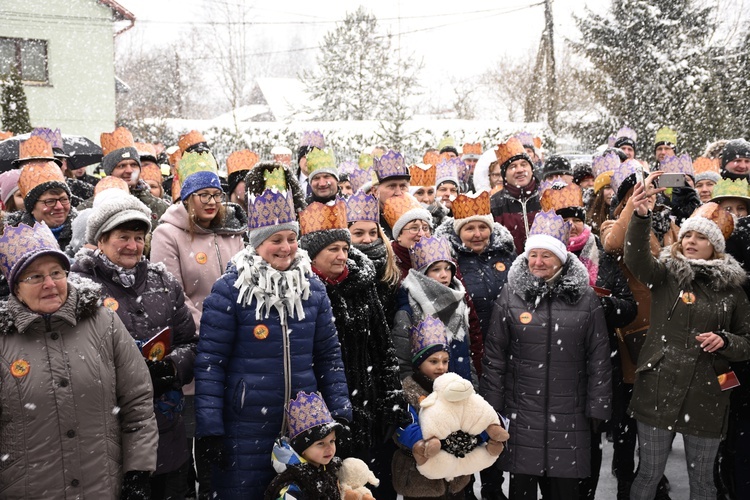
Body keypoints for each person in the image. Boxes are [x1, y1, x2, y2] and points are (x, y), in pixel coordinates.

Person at [194, 169, 351, 499]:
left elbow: (329, 357)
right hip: (245, 425)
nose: (286, 248)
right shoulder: (230, 290)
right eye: (275, 240)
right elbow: (211, 363)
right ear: (257, 243)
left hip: (304, 425)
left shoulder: (313, 289)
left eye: (291, 239)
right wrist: (210, 428)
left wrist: (339, 412)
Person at [0, 221, 158, 498]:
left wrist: (138, 471)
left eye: (56, 273)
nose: (50, 284)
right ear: (16, 288)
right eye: (35, 277)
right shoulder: (4, 341)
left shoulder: (103, 322)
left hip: (101, 487)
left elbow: (138, 401)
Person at [625, 178, 750, 500]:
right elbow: (636, 259)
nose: (691, 241)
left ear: (716, 246)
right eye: (687, 235)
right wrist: (639, 218)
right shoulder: (666, 273)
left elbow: (746, 341)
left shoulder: (734, 291)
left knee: (703, 481)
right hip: (658, 384)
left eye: (701, 237)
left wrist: (726, 341)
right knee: (649, 473)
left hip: (709, 391)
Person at [70, 192, 198, 498]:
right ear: (100, 240)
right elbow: (69, 358)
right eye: (123, 236)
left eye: (139, 237)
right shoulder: (78, 287)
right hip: (109, 427)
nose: (132, 246)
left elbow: (190, 343)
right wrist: (128, 377)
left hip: (166, 424)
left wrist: (171, 367)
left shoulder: (162, 281)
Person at [480, 210, 612, 500]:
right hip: (522, 408)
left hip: (571, 411)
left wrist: (598, 405)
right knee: (523, 488)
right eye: (533, 255)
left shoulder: (585, 297)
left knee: (565, 490)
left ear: (562, 259)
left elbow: (599, 355)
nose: (538, 262)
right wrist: (492, 406)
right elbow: (495, 355)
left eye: (546, 256)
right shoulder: (511, 294)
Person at [150, 150, 247, 498]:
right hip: (197, 344)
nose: (211, 201)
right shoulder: (168, 234)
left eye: (215, 194)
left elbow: (246, 281)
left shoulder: (232, 231)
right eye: (202, 195)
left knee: (222, 440)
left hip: (237, 344)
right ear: (186, 198)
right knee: (192, 433)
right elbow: (172, 293)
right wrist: (215, 327)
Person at [298, 199, 408, 498]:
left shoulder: (363, 283)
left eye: (345, 249)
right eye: (333, 249)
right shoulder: (303, 290)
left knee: (372, 481)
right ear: (312, 254)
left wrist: (391, 395)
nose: (342, 255)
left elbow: (382, 345)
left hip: (368, 398)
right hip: (325, 403)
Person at [538, 181, 638, 499]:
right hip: (551, 370)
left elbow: (628, 307)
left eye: (575, 217)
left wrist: (602, 306)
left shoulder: (602, 253)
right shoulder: (536, 257)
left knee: (589, 441)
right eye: (561, 218)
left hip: (596, 365)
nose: (570, 224)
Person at [392, 316, 505, 500]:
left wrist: (480, 436)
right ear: (419, 363)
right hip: (419, 479)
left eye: (445, 361)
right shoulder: (408, 391)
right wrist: (432, 442)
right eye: (434, 361)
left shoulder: (457, 387)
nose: (441, 367)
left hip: (455, 476)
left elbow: (475, 416)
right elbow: (404, 426)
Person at [392, 235, 482, 385]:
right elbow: (403, 363)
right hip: (428, 394)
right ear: (422, 274)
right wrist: (419, 396)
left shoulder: (459, 301)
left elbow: (466, 353)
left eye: (448, 268)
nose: (444, 275)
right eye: (436, 269)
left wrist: (472, 387)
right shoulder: (408, 311)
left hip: (460, 388)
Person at [264, 392, 344, 500]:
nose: (329, 448)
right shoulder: (292, 486)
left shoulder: (331, 471)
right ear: (303, 449)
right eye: (320, 443)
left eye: (332, 441)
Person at [5, 137, 77, 251]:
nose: (59, 207)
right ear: (32, 207)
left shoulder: (83, 230)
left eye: (64, 199)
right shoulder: (11, 235)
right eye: (50, 201)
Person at [345, 191, 401, 326]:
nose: (367, 239)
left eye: (372, 233)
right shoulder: (340, 268)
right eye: (358, 233)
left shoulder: (389, 267)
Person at [99, 126, 168, 225]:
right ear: (110, 172)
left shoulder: (159, 207)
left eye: (134, 165)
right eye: (121, 166)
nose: (129, 170)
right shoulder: (94, 205)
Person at [490, 137, 540, 253]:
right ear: (505, 175)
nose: (519, 170)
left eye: (524, 164)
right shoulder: (494, 204)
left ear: (531, 169)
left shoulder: (546, 198)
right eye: (512, 166)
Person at [384, 193, 434, 279]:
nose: (422, 234)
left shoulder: (440, 257)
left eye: (425, 228)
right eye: (414, 228)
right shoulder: (386, 262)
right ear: (399, 235)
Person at [374, 149, 412, 239]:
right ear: (375, 191)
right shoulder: (369, 222)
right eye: (392, 186)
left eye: (403, 186)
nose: (398, 193)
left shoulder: (418, 217)